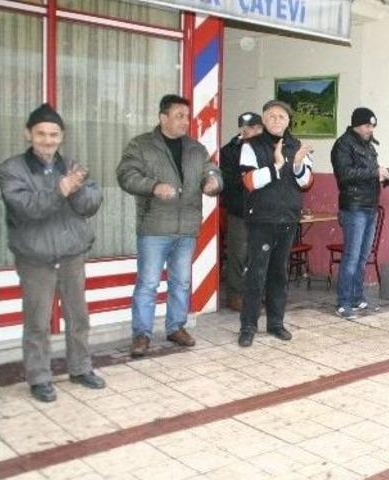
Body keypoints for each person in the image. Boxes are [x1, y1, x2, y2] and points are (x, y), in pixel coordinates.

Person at [0, 104, 106, 402]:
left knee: (78, 316)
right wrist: (61, 190)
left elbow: (91, 204)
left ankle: (81, 368)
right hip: (35, 259)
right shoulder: (11, 169)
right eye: (41, 134)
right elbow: (27, 208)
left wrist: (77, 188)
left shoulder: (71, 165)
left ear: (62, 137)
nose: (48, 140)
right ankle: (39, 377)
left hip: (71, 255)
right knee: (37, 321)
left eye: (54, 134)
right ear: (28, 135)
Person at [117, 94, 223, 358]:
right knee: (148, 283)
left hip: (186, 228)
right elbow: (126, 175)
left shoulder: (195, 148)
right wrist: (153, 187)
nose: (185, 122)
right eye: (179, 116)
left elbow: (212, 171)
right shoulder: (141, 145)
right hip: (154, 227)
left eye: (187, 117)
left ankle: (176, 327)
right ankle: (141, 334)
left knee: (182, 282)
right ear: (163, 117)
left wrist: (213, 183)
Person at [236, 101, 313, 347]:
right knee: (255, 274)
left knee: (279, 273)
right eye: (271, 116)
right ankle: (248, 326)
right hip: (261, 218)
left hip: (288, 218)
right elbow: (249, 181)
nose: (276, 120)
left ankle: (276, 323)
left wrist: (298, 164)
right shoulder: (251, 146)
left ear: (289, 120)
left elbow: (305, 183)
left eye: (281, 116)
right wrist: (277, 165)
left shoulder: (297, 145)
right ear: (264, 120)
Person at [331, 107, 389, 320]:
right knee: (351, 256)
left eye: (372, 126)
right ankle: (344, 302)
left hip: (370, 206)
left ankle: (357, 297)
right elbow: (345, 174)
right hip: (354, 207)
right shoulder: (343, 145)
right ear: (357, 125)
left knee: (362, 256)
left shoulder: (368, 146)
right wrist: (374, 172)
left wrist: (385, 175)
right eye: (368, 125)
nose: (371, 129)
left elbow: (370, 172)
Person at [220, 112, 264, 312]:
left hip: (263, 209)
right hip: (239, 209)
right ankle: (235, 295)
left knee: (258, 254)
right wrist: (249, 178)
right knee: (238, 254)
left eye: (256, 128)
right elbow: (228, 181)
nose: (252, 131)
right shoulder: (229, 152)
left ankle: (255, 293)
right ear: (241, 129)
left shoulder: (266, 147)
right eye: (248, 128)